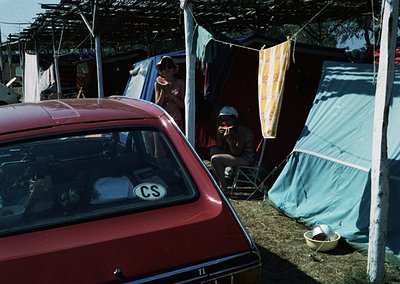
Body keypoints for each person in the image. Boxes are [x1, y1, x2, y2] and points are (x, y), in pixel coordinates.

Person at [210, 106, 256, 193]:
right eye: (223, 120)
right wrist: (219, 136)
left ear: (234, 119)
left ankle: (223, 188)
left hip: (245, 158)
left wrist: (229, 140)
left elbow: (238, 153)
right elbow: (220, 147)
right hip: (235, 153)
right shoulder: (231, 129)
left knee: (215, 159)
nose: (224, 123)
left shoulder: (242, 130)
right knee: (213, 150)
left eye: (228, 120)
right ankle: (216, 181)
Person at [154, 56, 185, 129]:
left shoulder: (180, 83)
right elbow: (157, 106)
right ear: (161, 71)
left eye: (169, 66)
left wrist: (170, 94)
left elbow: (183, 106)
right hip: (164, 120)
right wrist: (162, 91)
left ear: (174, 69)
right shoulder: (157, 84)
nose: (167, 69)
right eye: (164, 67)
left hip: (177, 119)